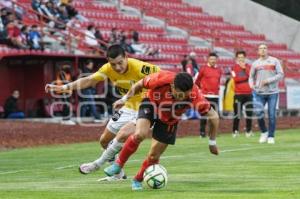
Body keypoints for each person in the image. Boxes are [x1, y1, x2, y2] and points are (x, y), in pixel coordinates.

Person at [45, 44, 160, 180]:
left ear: (126, 57)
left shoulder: (141, 67)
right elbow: (89, 80)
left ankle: (97, 164)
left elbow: (163, 77)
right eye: (113, 64)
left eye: (120, 63)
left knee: (123, 134)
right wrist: (64, 87)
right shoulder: (107, 69)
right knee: (104, 141)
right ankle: (118, 176)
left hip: (147, 107)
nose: (117, 67)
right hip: (128, 107)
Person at [104, 71, 220, 190]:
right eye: (180, 95)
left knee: (154, 156)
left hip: (170, 119)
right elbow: (139, 84)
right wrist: (124, 99)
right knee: (139, 134)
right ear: (172, 87)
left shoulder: (195, 95)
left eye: (186, 95)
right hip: (151, 104)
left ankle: (137, 180)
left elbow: (214, 117)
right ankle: (118, 164)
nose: (183, 98)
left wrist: (212, 142)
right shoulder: (161, 79)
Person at [249, 44, 284, 144]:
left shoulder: (274, 61)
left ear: (267, 50)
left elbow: (281, 74)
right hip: (259, 93)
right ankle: (264, 132)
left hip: (273, 93)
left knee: (272, 115)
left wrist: (268, 80)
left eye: (265, 48)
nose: (263, 50)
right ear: (258, 51)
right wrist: (251, 85)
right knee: (259, 113)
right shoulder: (255, 64)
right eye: (261, 48)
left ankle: (271, 136)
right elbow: (251, 77)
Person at [195, 52, 222, 138]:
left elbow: (218, 81)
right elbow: (197, 81)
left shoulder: (219, 70)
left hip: (215, 96)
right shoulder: (203, 69)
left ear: (216, 60)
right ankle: (202, 133)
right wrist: (202, 90)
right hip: (205, 96)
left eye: (214, 59)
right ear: (208, 59)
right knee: (204, 115)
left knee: (214, 116)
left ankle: (212, 133)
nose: (213, 61)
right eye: (211, 59)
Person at [231, 50, 253, 138]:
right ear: (236, 58)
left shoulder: (249, 67)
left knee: (249, 113)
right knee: (237, 113)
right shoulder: (233, 68)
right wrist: (246, 77)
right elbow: (235, 79)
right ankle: (235, 131)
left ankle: (248, 131)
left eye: (242, 57)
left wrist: (244, 69)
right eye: (239, 57)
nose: (241, 59)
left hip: (249, 94)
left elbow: (251, 76)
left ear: (245, 58)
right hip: (238, 94)